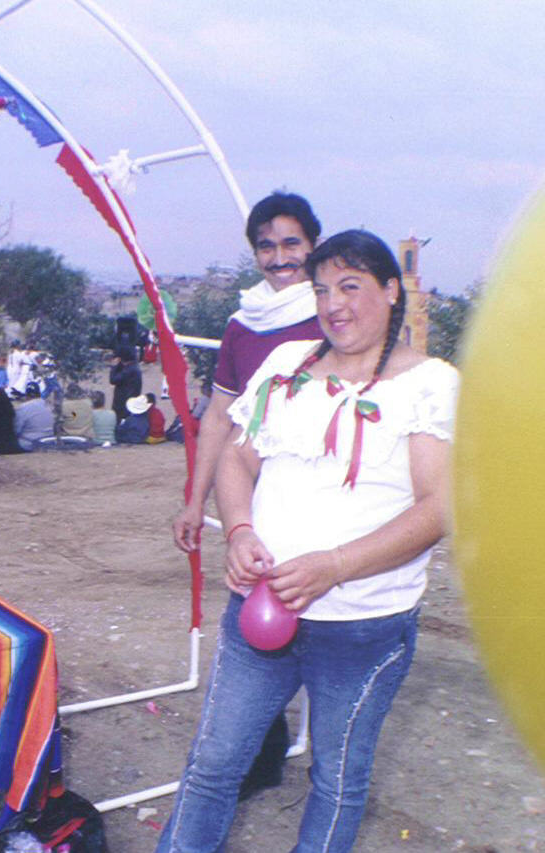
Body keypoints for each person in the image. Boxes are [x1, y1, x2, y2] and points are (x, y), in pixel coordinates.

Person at [156, 230, 459, 853]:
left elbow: (439, 508)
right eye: (322, 289)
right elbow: (238, 461)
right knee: (213, 767)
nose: (333, 304)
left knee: (337, 782)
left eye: (351, 286)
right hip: (258, 613)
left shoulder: (431, 383)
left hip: (363, 627)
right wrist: (238, 530)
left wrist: (336, 565)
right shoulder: (285, 366)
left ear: (391, 291)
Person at [171, 191, 324, 794]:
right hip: (250, 498)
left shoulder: (329, 315)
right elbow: (218, 418)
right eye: (267, 245)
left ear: (312, 246)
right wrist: (195, 499)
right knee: (253, 623)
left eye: (291, 243)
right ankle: (259, 749)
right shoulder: (244, 324)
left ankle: (320, 757)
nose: (279, 257)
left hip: (314, 492)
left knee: (318, 620)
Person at [12, 381, 55, 451]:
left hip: (29, 444)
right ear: (39, 393)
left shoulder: (23, 408)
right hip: (49, 441)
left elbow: (16, 430)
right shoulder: (49, 405)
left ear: (26, 395)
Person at [108, 346, 142, 421]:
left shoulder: (128, 370)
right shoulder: (134, 367)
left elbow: (113, 380)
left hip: (122, 404)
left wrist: (113, 366)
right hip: (131, 401)